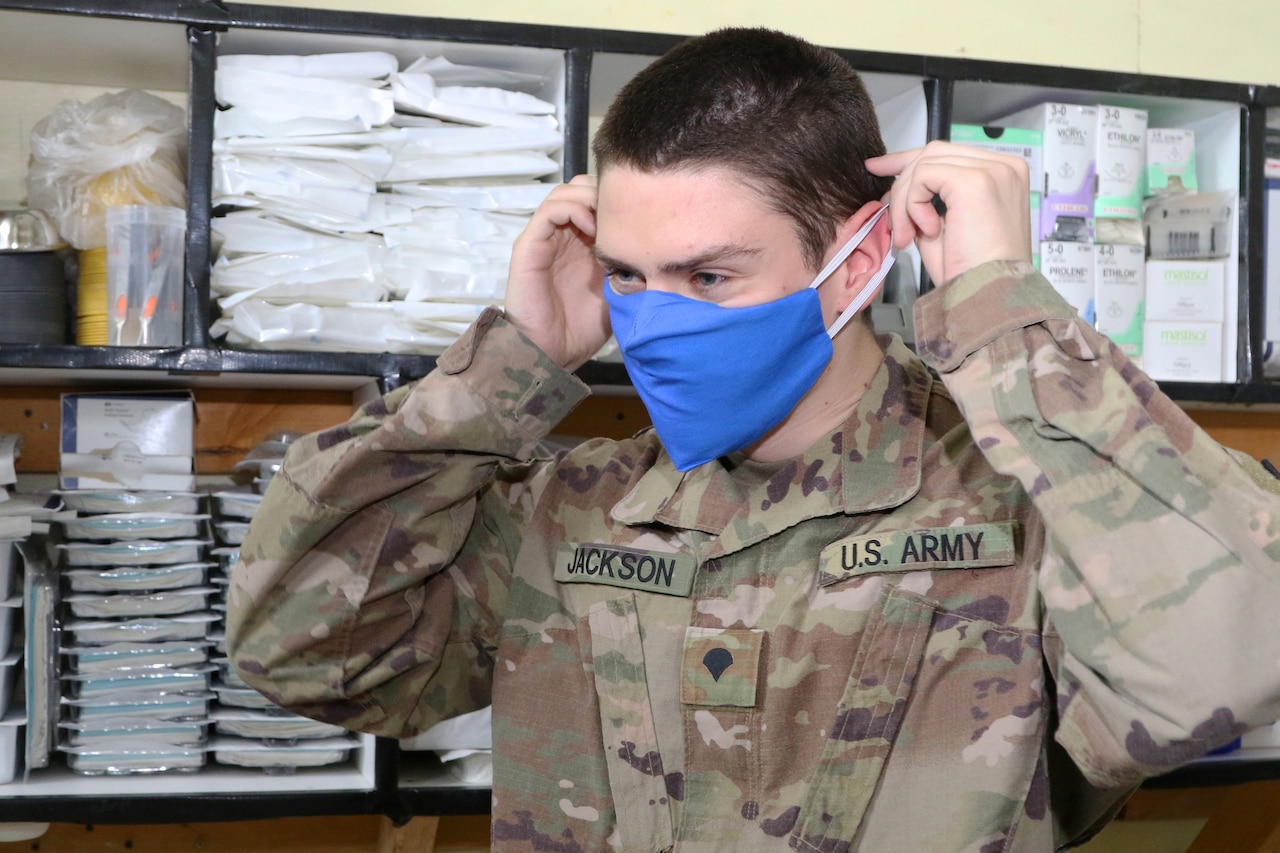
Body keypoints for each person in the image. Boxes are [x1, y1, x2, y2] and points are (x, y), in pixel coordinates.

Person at [227, 27, 1280, 852]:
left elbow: (1227, 665)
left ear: (860, 258)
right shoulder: (567, 507)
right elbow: (302, 652)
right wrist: (501, 374)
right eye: (628, 277)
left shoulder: (1013, 504)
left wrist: (1006, 320)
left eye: (708, 277)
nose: (655, 320)